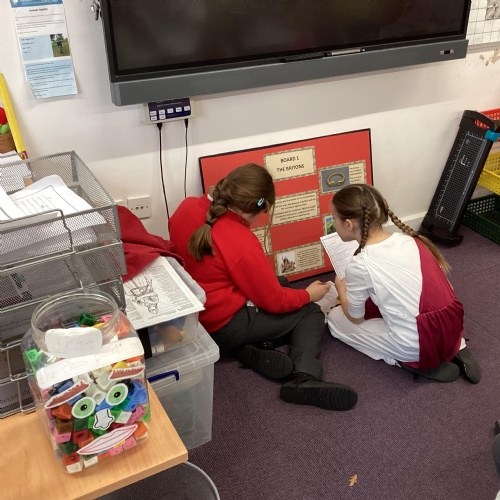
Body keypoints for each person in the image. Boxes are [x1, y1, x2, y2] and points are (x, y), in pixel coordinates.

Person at [168, 163, 358, 411]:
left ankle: (250, 350)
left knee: (281, 283)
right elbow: (275, 302)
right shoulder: (241, 240)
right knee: (308, 311)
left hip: (196, 316)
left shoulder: (187, 207)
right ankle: (304, 378)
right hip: (224, 325)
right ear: (259, 207)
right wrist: (308, 294)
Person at [326, 183, 481, 383]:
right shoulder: (410, 240)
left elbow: (356, 318)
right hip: (452, 326)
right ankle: (457, 346)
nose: (334, 224)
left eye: (334, 219)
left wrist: (342, 291)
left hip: (416, 342)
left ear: (348, 224)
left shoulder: (360, 264)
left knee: (335, 320)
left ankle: (404, 361)